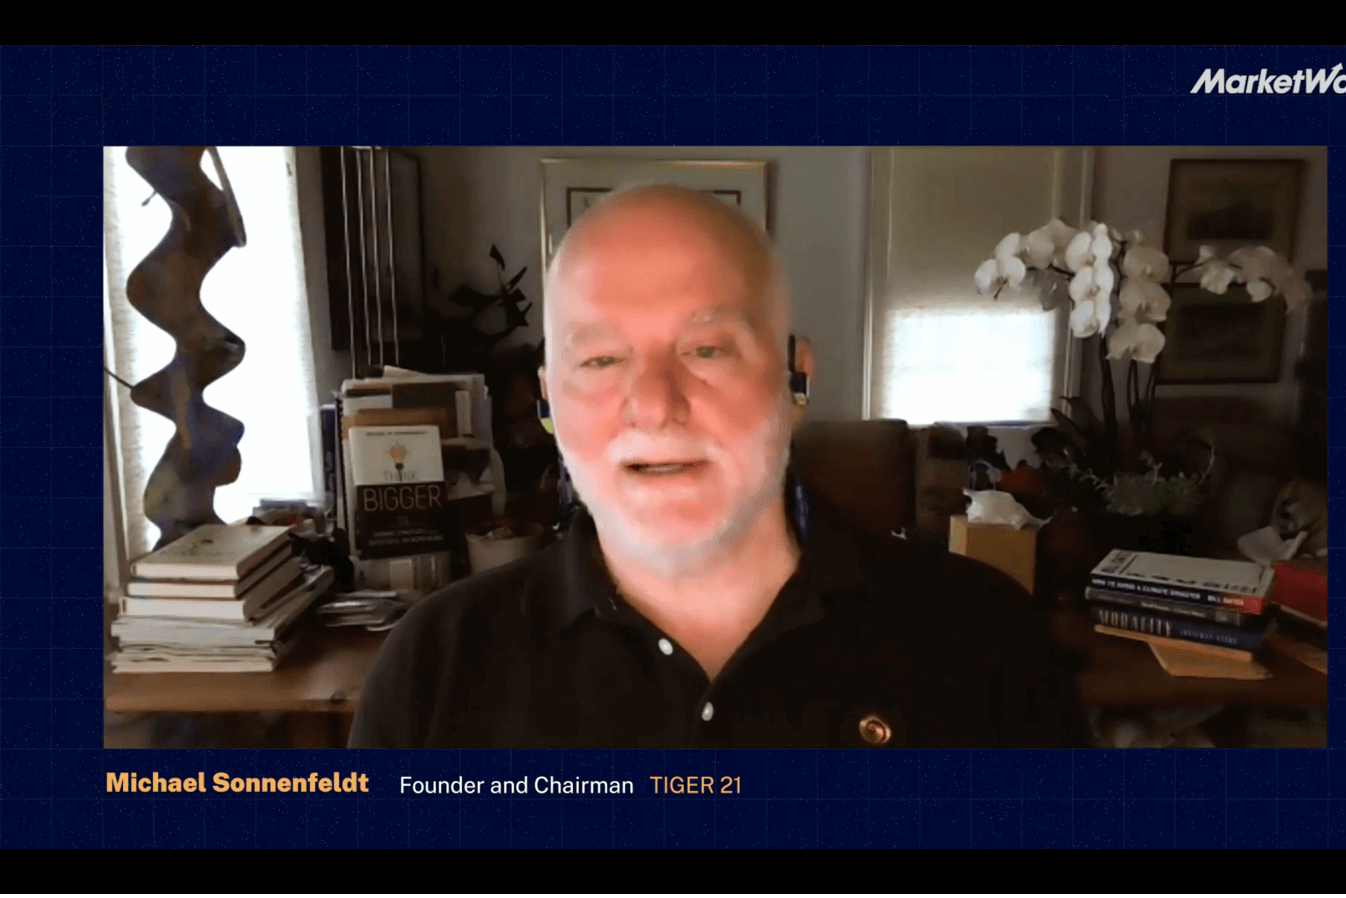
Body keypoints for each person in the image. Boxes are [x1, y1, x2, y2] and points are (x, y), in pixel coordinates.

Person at [348, 185, 1089, 748]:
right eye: (600, 360)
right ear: (548, 401)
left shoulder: (985, 641)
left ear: (796, 380)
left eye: (707, 350)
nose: (654, 406)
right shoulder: (434, 669)